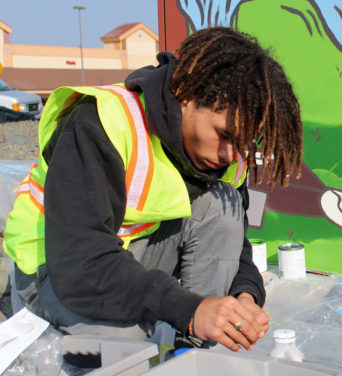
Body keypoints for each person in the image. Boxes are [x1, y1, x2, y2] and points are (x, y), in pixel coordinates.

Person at [3, 27, 303, 352]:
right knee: (128, 342)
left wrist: (244, 294)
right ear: (185, 93)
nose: (231, 155)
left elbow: (235, 247)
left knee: (223, 203)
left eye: (242, 143)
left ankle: (192, 351)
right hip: (57, 269)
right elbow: (81, 261)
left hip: (127, 259)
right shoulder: (103, 122)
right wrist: (187, 308)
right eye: (224, 135)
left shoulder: (227, 156)